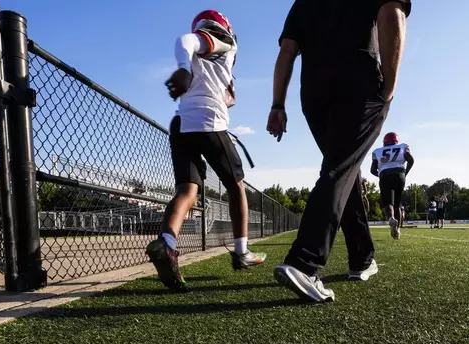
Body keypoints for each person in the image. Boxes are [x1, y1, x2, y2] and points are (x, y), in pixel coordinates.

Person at [267, 0, 411, 302]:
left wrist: (277, 105)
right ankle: (304, 262)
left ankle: (362, 258)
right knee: (339, 170)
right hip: (358, 83)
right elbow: (391, 13)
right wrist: (390, 86)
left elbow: (287, 51)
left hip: (314, 92)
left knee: (345, 170)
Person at [146, 10, 266, 292]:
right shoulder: (222, 40)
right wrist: (184, 69)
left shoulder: (209, 57)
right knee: (236, 187)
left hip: (182, 123)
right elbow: (186, 40)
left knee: (187, 191)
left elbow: (219, 88)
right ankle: (241, 251)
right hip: (209, 122)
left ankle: (167, 244)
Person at [370, 132, 414, 239]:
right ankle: (397, 229)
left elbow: (372, 170)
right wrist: (405, 173)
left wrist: (381, 174)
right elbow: (411, 160)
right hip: (399, 174)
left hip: (385, 174)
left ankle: (391, 218)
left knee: (388, 202)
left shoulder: (377, 151)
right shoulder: (403, 146)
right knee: (397, 204)